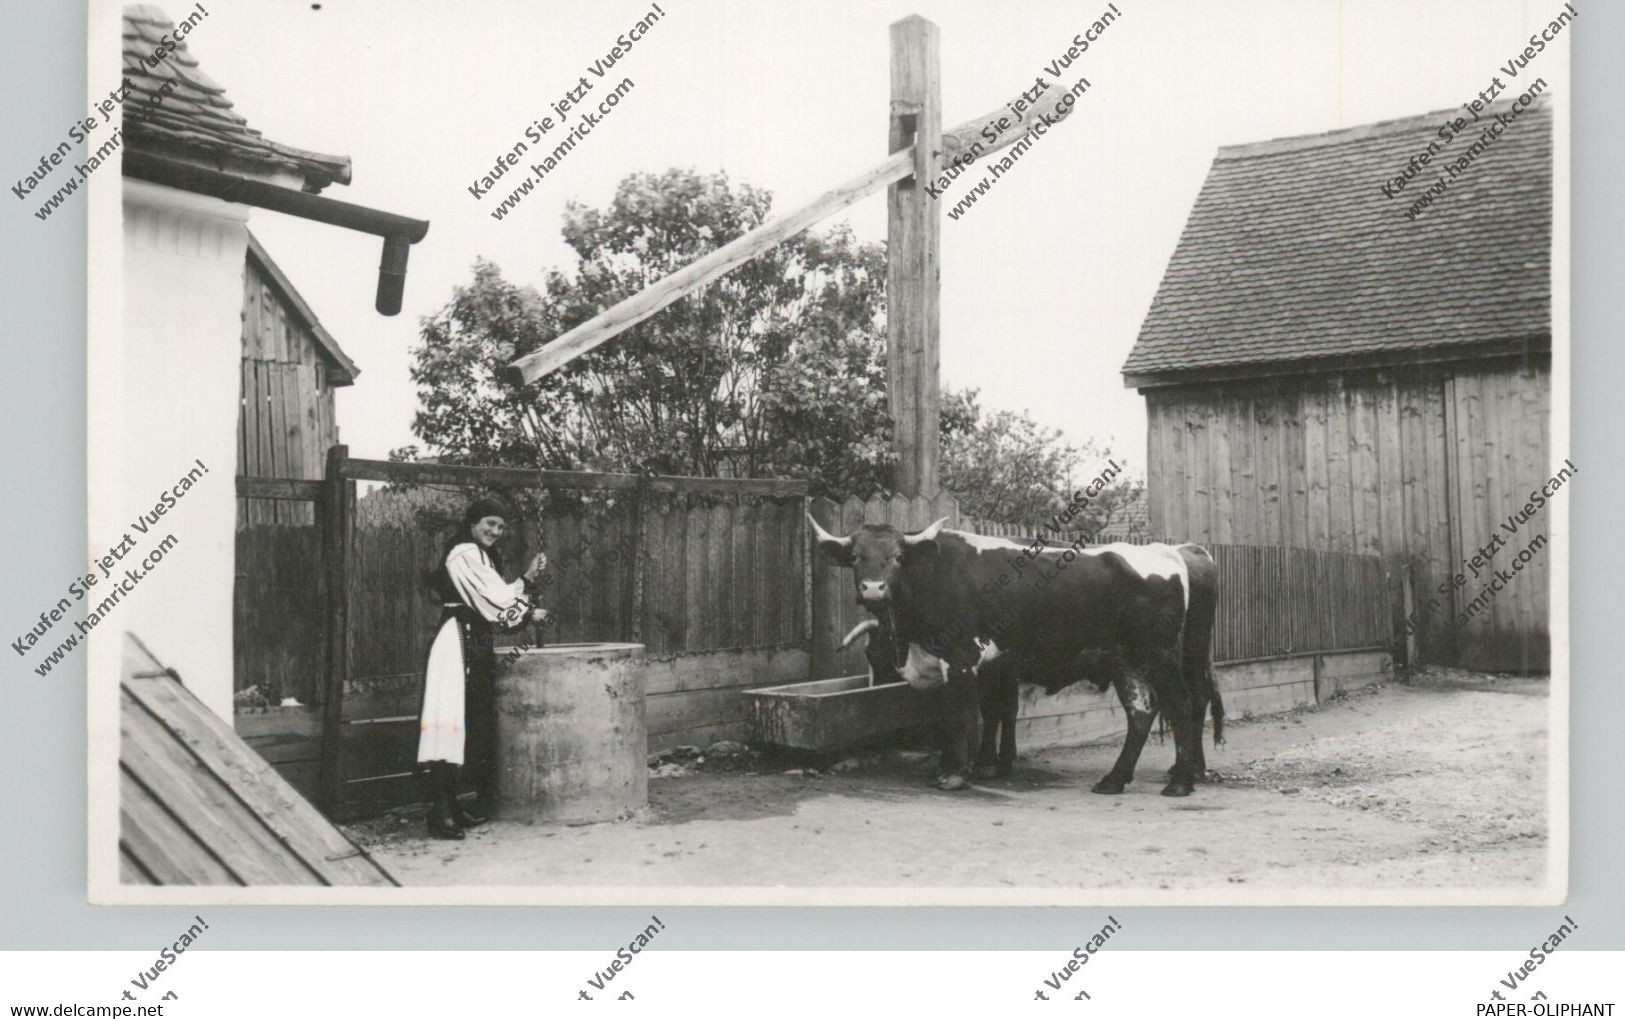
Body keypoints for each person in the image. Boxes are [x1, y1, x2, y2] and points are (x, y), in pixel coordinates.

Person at [417, 496, 548, 839]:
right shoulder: (464, 552)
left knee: (468, 718)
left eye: (501, 526)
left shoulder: (479, 554)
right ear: (473, 523)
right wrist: (527, 602)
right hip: (456, 640)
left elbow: (498, 597)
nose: (495, 531)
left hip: (474, 638)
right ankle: (439, 810)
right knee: (449, 717)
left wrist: (526, 582)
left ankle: (453, 804)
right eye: (490, 523)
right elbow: (496, 601)